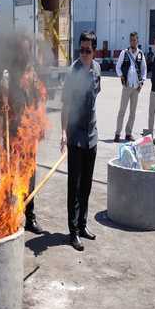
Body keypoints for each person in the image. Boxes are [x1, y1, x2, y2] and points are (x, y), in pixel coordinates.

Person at [61, 31, 102, 251]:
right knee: (74, 186)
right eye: (82, 50)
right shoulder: (72, 72)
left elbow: (95, 97)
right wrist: (63, 132)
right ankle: (73, 231)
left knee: (86, 185)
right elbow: (65, 104)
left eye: (88, 50)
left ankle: (83, 224)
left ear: (94, 51)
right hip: (75, 137)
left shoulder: (97, 69)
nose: (84, 54)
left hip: (91, 137)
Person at [8, 36, 44, 234]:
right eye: (21, 51)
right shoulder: (8, 74)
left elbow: (39, 100)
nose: (24, 55)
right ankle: (11, 216)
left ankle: (30, 217)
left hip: (29, 135)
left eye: (27, 51)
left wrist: (40, 124)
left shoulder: (33, 75)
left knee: (29, 177)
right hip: (13, 135)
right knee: (12, 177)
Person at [115, 32, 147, 142]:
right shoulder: (124, 53)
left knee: (132, 112)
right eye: (131, 40)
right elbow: (118, 67)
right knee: (122, 111)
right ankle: (117, 134)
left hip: (136, 88)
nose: (133, 41)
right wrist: (121, 77)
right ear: (130, 41)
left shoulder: (141, 54)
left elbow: (144, 70)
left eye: (135, 40)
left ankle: (128, 134)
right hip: (127, 86)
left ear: (137, 41)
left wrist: (142, 83)